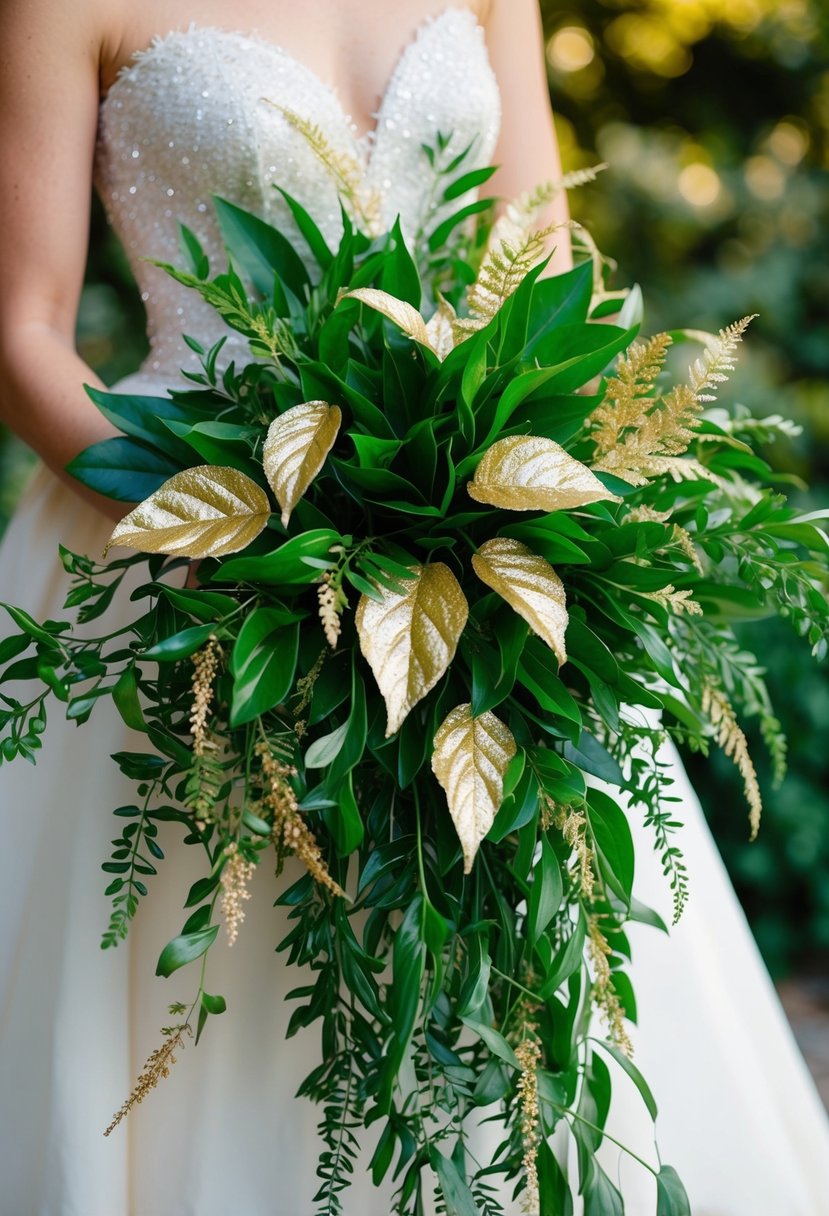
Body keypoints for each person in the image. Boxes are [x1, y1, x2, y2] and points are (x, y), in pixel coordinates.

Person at [0, 2, 828, 1212]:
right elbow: (22, 330)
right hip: (186, 540)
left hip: (477, 526)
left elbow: (541, 259)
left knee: (523, 975)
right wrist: (220, 523)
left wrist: (544, 499)